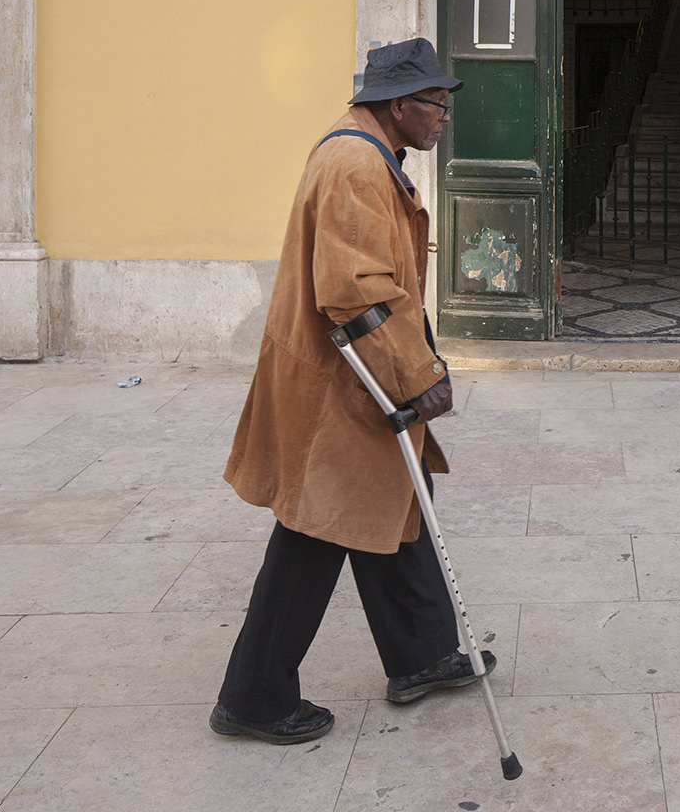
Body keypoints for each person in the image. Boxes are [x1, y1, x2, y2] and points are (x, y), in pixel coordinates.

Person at [210, 37, 494, 745]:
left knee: (393, 497)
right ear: (399, 106)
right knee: (316, 528)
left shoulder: (368, 153)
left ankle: (423, 655)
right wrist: (417, 375)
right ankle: (252, 697)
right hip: (343, 384)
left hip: (355, 378)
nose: (443, 118)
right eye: (436, 105)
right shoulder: (354, 165)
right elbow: (355, 289)